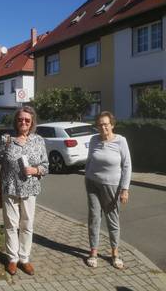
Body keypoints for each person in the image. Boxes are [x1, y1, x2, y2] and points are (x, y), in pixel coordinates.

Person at [0, 106, 48, 275]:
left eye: (27, 120)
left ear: (32, 123)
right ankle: (12, 259)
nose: (23, 122)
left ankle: (24, 259)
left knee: (27, 225)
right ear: (16, 121)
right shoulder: (7, 139)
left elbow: (45, 165)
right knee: (11, 225)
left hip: (30, 189)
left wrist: (36, 170)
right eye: (20, 119)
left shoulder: (38, 141)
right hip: (9, 188)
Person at [85, 111, 132, 270]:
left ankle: (115, 253)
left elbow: (127, 166)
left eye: (106, 124)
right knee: (94, 218)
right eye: (100, 124)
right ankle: (93, 252)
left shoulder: (120, 141)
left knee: (112, 219)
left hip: (112, 185)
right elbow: (89, 160)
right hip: (92, 183)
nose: (103, 127)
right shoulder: (93, 140)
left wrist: (124, 189)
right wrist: (87, 175)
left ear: (112, 125)